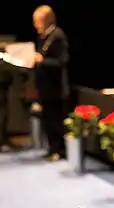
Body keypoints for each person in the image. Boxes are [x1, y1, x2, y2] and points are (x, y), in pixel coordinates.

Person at [33, 5, 69, 161]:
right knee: (47, 119)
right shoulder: (42, 37)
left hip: (56, 88)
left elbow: (62, 61)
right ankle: (51, 148)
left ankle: (59, 150)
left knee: (56, 120)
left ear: (47, 21)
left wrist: (42, 61)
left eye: (38, 22)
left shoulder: (58, 36)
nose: (35, 25)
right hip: (44, 88)